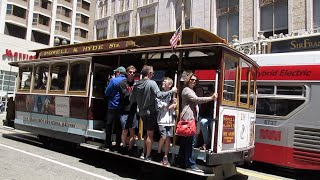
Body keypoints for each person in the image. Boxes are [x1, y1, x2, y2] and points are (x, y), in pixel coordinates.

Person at [130, 65, 177, 162]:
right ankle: (148, 155)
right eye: (152, 73)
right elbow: (160, 95)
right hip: (150, 113)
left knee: (146, 133)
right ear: (150, 74)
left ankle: (144, 152)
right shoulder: (152, 83)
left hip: (142, 113)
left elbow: (132, 99)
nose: (153, 74)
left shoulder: (136, 84)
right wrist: (171, 91)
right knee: (150, 134)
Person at [176, 73, 217, 172]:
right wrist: (211, 98)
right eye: (192, 80)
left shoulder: (191, 90)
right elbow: (197, 100)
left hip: (190, 118)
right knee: (189, 142)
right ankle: (190, 164)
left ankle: (180, 162)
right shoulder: (187, 90)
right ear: (188, 80)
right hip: (188, 119)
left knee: (185, 142)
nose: (194, 81)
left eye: (195, 80)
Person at [104, 66, 127, 150]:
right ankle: (117, 144)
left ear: (118, 73)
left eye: (116, 72)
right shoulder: (127, 81)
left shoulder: (113, 80)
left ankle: (107, 143)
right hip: (122, 107)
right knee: (119, 126)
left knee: (109, 124)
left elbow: (107, 92)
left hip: (112, 106)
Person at [156, 77, 177, 166]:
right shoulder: (160, 93)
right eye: (163, 81)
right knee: (163, 136)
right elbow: (160, 106)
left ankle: (165, 156)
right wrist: (170, 105)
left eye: (165, 82)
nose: (163, 82)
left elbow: (174, 105)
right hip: (162, 120)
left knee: (168, 138)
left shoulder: (172, 95)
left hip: (170, 120)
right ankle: (158, 153)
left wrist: (174, 104)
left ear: (170, 85)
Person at [119, 65, 138, 155]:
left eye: (133, 72)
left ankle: (130, 149)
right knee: (124, 130)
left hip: (133, 110)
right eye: (130, 72)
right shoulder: (123, 83)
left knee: (132, 131)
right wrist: (134, 93)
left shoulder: (136, 84)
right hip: (124, 110)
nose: (132, 74)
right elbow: (126, 95)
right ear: (127, 73)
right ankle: (123, 147)